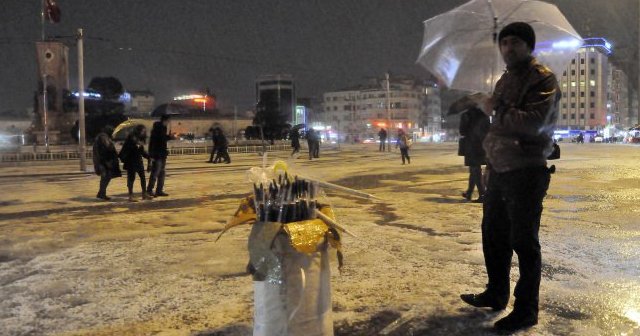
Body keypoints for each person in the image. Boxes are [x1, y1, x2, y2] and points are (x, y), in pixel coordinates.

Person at [459, 22, 560, 332]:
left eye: (515, 42)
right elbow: (499, 125)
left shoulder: (543, 79)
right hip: (500, 170)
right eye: (504, 43)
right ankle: (497, 292)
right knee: (493, 235)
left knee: (524, 242)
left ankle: (526, 309)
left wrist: (494, 106)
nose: (508, 48)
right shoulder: (504, 79)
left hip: (526, 171)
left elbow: (534, 123)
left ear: (529, 46)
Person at [459, 107, 490, 202]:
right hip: (482, 144)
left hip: (471, 146)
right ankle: (469, 192)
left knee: (475, 169)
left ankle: (482, 194)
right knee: (474, 169)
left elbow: (462, 131)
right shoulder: (485, 115)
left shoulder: (466, 115)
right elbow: (488, 129)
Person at [119, 125, 152, 202]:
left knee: (143, 177)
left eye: (144, 131)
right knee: (131, 178)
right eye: (143, 131)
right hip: (131, 162)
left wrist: (148, 157)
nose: (144, 133)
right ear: (138, 131)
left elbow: (142, 151)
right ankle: (130, 196)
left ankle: (144, 194)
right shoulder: (131, 138)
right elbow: (126, 150)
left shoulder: (139, 140)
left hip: (138, 161)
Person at [92, 125, 121, 200]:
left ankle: (101, 193)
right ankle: (101, 194)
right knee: (105, 177)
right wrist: (108, 160)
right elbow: (107, 149)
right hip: (104, 162)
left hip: (103, 161)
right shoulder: (103, 137)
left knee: (106, 177)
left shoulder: (102, 137)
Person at [147, 114, 171, 197]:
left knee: (162, 173)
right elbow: (157, 141)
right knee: (155, 172)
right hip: (157, 154)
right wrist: (152, 156)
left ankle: (159, 190)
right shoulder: (157, 129)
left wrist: (169, 136)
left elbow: (163, 139)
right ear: (165, 120)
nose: (168, 123)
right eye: (168, 121)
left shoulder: (163, 128)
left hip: (162, 154)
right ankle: (149, 190)